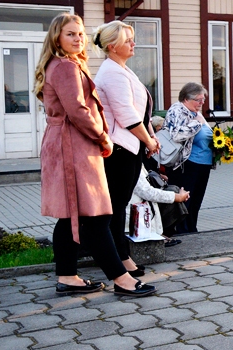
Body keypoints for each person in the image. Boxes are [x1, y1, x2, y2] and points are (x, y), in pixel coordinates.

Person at [35, 13, 153, 297]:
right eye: (70, 34)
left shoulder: (65, 64)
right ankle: (121, 279)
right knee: (96, 216)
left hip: (67, 144)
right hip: (74, 146)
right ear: (56, 38)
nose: (77, 39)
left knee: (71, 216)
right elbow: (78, 111)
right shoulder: (64, 66)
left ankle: (67, 276)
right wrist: (102, 137)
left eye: (79, 34)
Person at [93, 20, 159, 278]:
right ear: (112, 46)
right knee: (117, 206)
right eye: (128, 39)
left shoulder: (122, 69)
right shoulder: (112, 72)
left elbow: (141, 111)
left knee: (120, 204)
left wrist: (151, 137)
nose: (134, 43)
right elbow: (127, 116)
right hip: (119, 149)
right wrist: (149, 141)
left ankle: (122, 256)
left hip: (130, 147)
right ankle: (119, 258)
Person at [163, 83, 214, 234]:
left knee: (196, 201)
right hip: (186, 165)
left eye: (203, 99)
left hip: (202, 164)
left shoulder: (194, 112)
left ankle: (191, 229)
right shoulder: (178, 110)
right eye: (199, 100)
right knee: (185, 200)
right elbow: (176, 135)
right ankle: (181, 231)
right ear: (186, 98)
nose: (202, 103)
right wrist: (197, 123)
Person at [124, 165, 190, 246]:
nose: (157, 152)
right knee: (171, 196)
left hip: (139, 208)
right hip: (133, 215)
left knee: (173, 190)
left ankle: (158, 233)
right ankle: (155, 235)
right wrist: (177, 197)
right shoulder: (129, 157)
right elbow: (147, 192)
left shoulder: (138, 157)